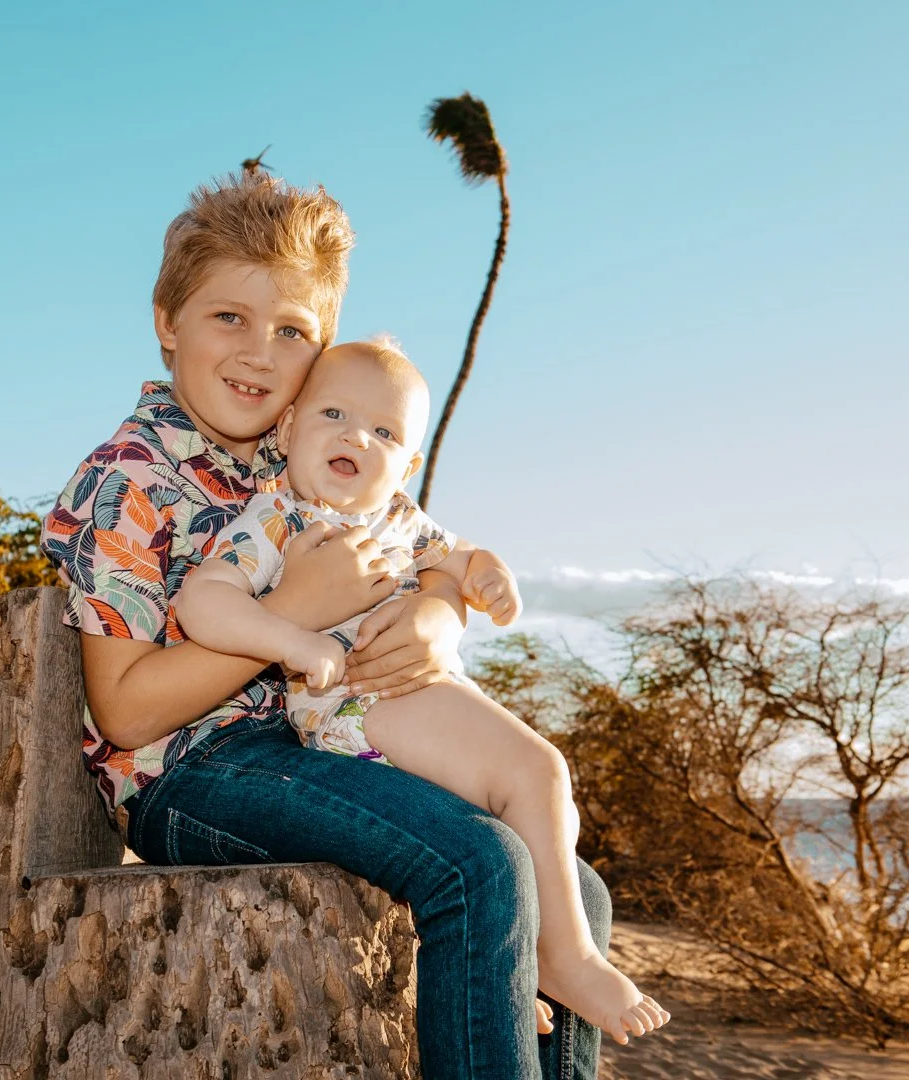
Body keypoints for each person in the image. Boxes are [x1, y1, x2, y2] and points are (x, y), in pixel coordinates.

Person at [41, 171, 631, 1078]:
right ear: (167, 321)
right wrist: (296, 613)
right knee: (477, 866)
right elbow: (124, 714)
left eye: (290, 332)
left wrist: (438, 614)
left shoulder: (306, 454)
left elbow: (423, 553)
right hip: (187, 773)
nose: (257, 353)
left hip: (313, 744)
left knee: (575, 894)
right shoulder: (130, 478)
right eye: (226, 318)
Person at [174, 337, 670, 1043]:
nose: (355, 437)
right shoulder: (279, 517)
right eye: (334, 415)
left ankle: (513, 968)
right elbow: (204, 602)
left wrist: (485, 572)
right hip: (363, 702)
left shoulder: (400, 519)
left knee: (537, 827)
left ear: (405, 465)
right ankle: (565, 957)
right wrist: (294, 640)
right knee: (536, 771)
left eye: (382, 432)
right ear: (287, 430)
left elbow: (457, 557)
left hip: (403, 704)